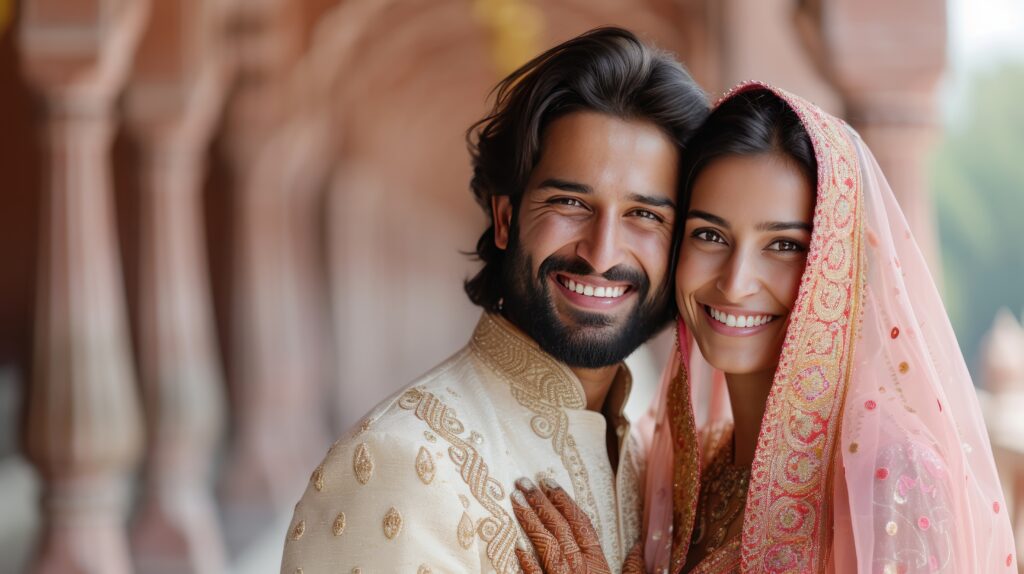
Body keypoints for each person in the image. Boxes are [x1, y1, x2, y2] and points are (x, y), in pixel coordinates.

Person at [510, 82, 1017, 573]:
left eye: (784, 246)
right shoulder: (693, 469)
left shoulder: (890, 474)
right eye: (709, 235)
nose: (734, 283)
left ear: (838, 265)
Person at [280, 28, 709, 574]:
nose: (602, 254)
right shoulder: (404, 465)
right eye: (571, 202)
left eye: (645, 215)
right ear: (506, 219)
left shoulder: (652, 467)